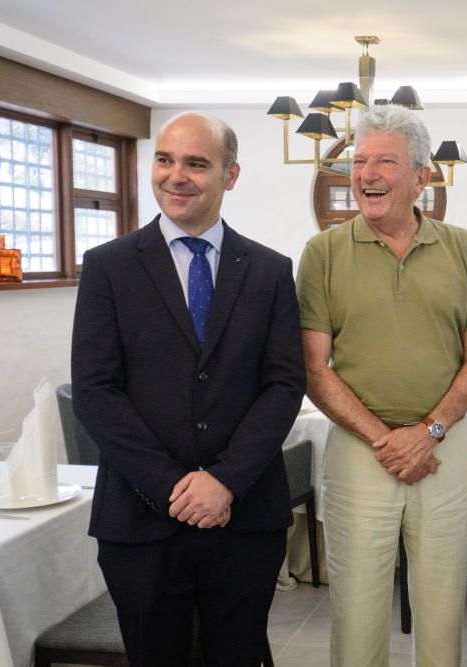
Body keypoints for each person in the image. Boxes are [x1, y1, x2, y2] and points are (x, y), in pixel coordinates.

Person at [71, 112, 306, 666]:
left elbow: (283, 385)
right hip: (141, 520)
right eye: (165, 159)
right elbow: (96, 392)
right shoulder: (108, 267)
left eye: (197, 164)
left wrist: (223, 482)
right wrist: (178, 487)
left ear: (231, 174)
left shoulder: (271, 271)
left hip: (244, 517)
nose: (176, 176)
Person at [296, 104, 467, 667]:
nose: (366, 175)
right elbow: (315, 369)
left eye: (384, 161)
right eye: (359, 162)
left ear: (422, 176)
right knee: (357, 618)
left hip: (445, 447)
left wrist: (429, 432)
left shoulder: (462, 247)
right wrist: (387, 439)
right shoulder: (323, 254)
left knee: (441, 614)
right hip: (362, 450)